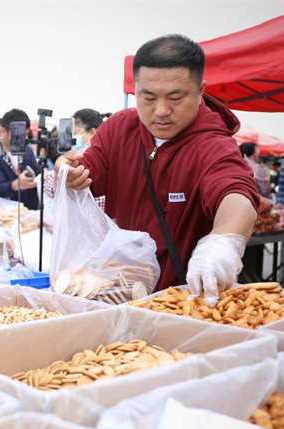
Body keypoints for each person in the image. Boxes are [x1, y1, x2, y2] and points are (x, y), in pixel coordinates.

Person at [55, 34, 259, 302]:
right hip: (121, 294)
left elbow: (237, 194)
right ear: (135, 90)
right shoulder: (119, 128)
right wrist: (67, 172)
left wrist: (222, 244)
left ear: (200, 91)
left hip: (183, 301)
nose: (161, 111)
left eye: (175, 97)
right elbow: (87, 169)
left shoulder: (212, 145)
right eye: (148, 97)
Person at [0, 108, 41, 210]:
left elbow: (37, 172)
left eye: (25, 134)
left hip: (29, 210)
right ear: (3, 131)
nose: (21, 139)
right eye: (17, 135)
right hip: (4, 210)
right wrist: (14, 185)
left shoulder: (27, 150)